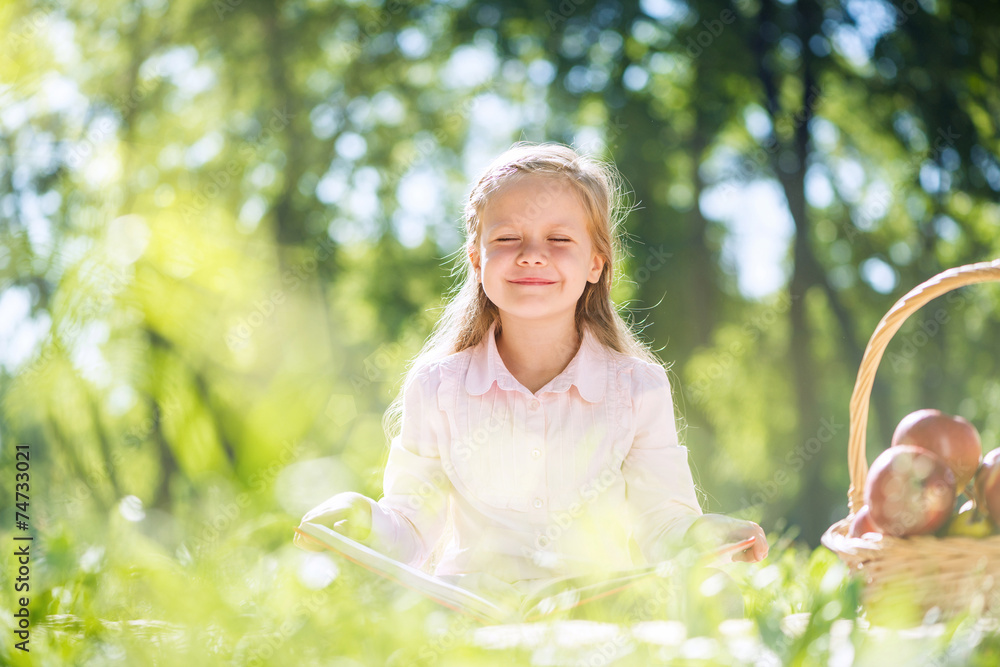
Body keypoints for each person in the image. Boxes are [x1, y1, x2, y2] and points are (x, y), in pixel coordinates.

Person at [294, 141, 768, 608]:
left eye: (559, 239)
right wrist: (361, 517)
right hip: (469, 614)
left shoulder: (637, 388)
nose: (532, 255)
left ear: (596, 262)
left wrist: (707, 533)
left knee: (715, 595)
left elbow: (662, 523)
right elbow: (412, 527)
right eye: (506, 239)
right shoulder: (437, 386)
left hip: (597, 613)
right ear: (477, 259)